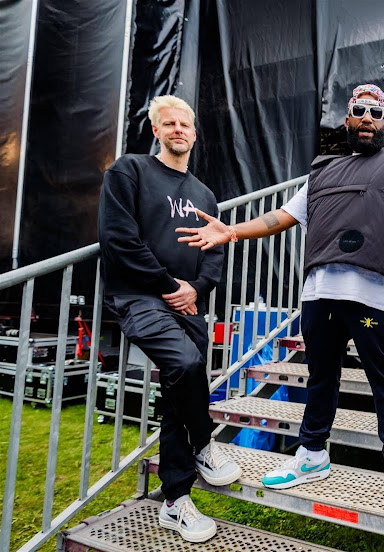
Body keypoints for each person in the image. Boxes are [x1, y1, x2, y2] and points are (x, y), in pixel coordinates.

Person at [177, 83, 384, 522]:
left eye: (377, 113)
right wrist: (233, 231)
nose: (368, 118)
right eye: (360, 110)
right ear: (348, 118)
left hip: (376, 300)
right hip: (319, 297)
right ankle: (312, 454)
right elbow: (283, 215)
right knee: (321, 378)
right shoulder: (323, 172)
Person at [98, 95, 242, 543]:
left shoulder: (204, 195)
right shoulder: (129, 171)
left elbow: (214, 253)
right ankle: (205, 445)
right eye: (169, 123)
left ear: (195, 134)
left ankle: (175, 502)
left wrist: (196, 289)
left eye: (186, 124)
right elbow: (119, 239)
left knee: (178, 397)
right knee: (185, 365)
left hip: (189, 304)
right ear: (156, 131)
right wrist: (169, 286)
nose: (179, 129)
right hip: (140, 298)